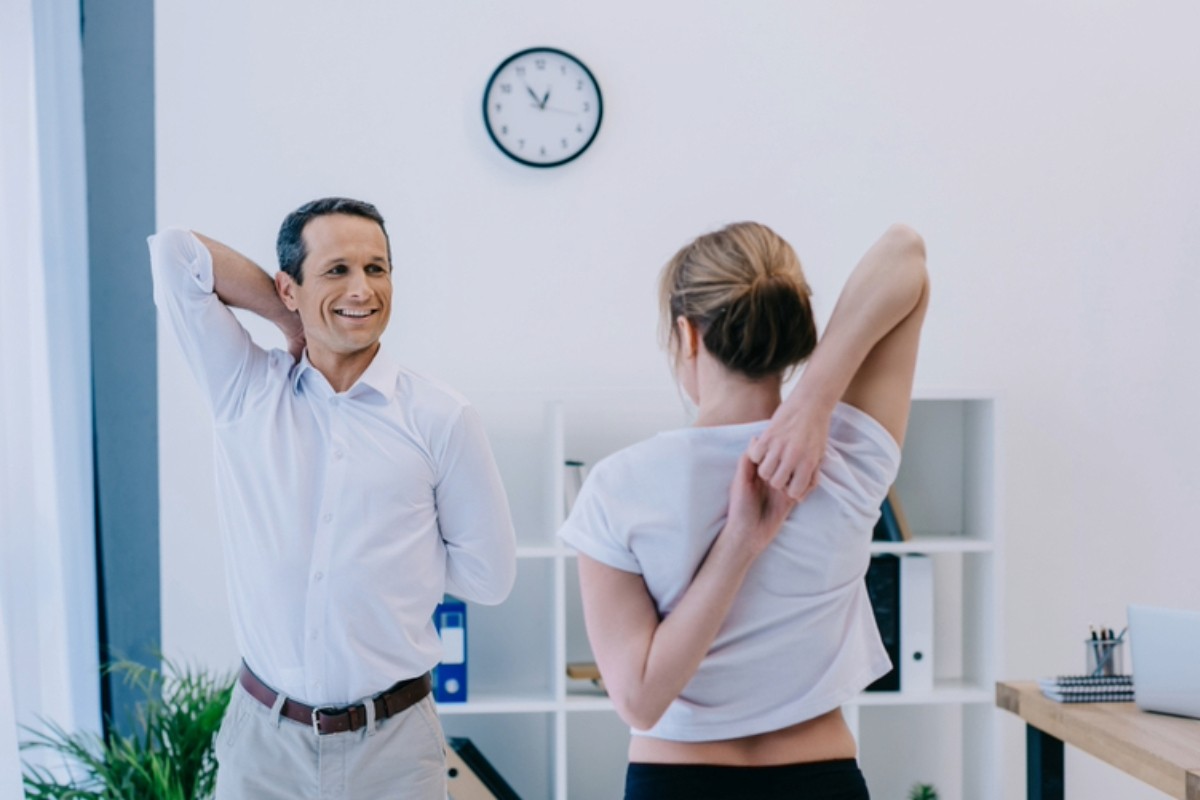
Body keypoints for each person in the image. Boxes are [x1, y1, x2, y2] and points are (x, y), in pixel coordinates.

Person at [148, 197, 517, 799]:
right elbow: (175, 253)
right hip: (264, 748)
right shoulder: (246, 390)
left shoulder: (441, 417)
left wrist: (396, 564)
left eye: (377, 268)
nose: (362, 289)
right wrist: (292, 321)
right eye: (337, 270)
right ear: (288, 286)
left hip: (396, 749)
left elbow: (490, 578)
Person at [558, 221, 929, 799]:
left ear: (687, 335)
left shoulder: (618, 485)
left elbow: (640, 701)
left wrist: (739, 544)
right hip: (822, 781)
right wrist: (813, 404)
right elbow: (905, 252)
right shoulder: (845, 455)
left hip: (676, 784)